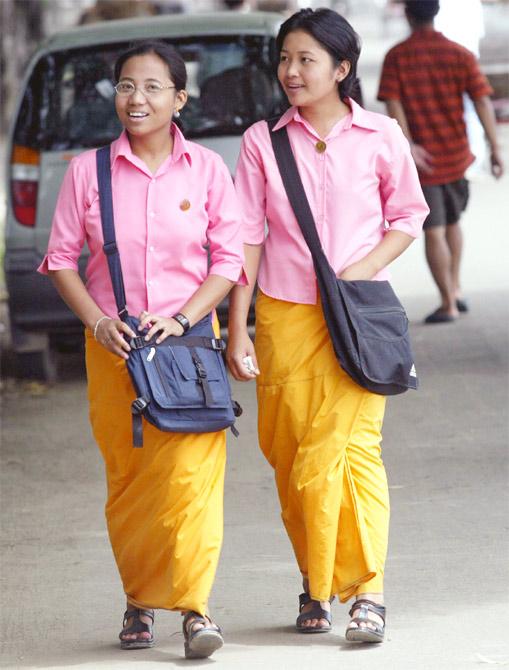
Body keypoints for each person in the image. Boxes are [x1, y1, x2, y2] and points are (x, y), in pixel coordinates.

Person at [38, 40, 246, 660]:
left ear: (180, 99)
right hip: (115, 351)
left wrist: (185, 319)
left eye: (154, 87)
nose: (138, 98)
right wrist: (99, 322)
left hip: (189, 352)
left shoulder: (208, 169)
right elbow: (59, 261)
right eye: (127, 85)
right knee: (130, 482)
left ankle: (194, 609)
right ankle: (139, 598)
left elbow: (229, 261)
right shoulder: (87, 171)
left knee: (191, 482)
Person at [227, 8, 429, 643]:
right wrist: (238, 327)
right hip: (284, 317)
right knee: (290, 455)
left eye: (306, 60)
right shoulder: (263, 141)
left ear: (342, 69)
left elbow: (408, 214)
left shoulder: (380, 136)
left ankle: (366, 591)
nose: (291, 71)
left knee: (348, 450)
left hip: (357, 318)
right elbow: (247, 239)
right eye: (285, 58)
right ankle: (315, 579)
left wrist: (356, 272)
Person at [377, 0, 504, 324]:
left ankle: (448, 302)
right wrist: (494, 147)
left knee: (434, 231)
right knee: (452, 224)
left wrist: (408, 146)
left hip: (425, 161)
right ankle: (456, 288)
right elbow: (482, 100)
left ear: (407, 14)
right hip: (457, 153)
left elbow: (393, 103)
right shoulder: (458, 53)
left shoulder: (398, 57)